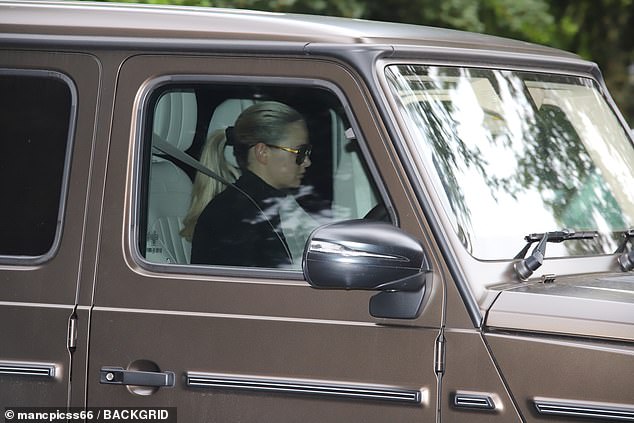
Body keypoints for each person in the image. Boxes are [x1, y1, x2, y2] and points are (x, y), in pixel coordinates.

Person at [187, 101, 316, 268]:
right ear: (262, 152)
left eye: (307, 151)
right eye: (300, 152)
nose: (307, 162)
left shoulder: (279, 204)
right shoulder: (232, 221)